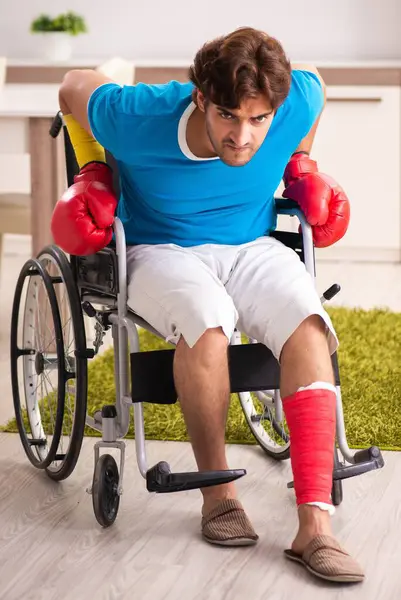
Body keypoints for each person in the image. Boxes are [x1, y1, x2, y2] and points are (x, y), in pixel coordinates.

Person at [52, 27, 363, 584]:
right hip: (161, 249)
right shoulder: (138, 116)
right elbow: (73, 85)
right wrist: (95, 172)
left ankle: (316, 526)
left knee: (308, 323)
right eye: (227, 116)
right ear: (200, 96)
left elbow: (318, 91)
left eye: (259, 120)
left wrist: (302, 164)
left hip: (250, 246)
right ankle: (218, 497)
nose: (243, 137)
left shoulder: (293, 102)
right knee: (206, 322)